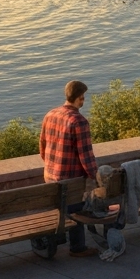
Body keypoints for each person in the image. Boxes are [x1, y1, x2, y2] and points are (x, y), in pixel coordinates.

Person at [39, 80, 101, 257]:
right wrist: (95, 177)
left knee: (61, 204)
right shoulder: (79, 121)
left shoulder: (50, 114)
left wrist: (51, 166)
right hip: (70, 178)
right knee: (77, 207)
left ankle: (58, 236)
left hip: (50, 175)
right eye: (83, 97)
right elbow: (86, 155)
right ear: (80, 98)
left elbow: (42, 146)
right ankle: (77, 247)